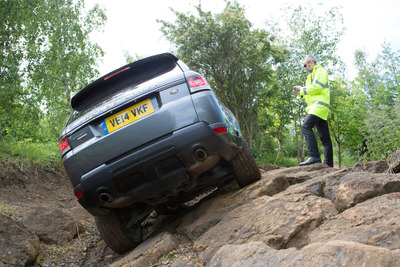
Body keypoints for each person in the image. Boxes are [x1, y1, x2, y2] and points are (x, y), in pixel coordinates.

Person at [293, 55, 333, 167]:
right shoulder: (310, 76)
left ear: (311, 62)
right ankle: (329, 164)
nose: (304, 68)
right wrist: (301, 93)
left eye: (305, 65)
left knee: (306, 126)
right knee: (325, 138)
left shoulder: (320, 71)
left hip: (319, 107)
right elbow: (310, 94)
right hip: (317, 108)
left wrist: (302, 89)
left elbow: (317, 88)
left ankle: (314, 157)